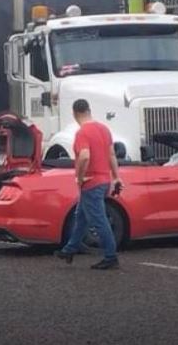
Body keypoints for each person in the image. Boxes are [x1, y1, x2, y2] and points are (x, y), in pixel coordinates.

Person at [54, 99, 123, 270]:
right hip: (105, 180)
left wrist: (80, 176)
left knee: (98, 220)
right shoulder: (104, 129)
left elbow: (84, 156)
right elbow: (111, 155)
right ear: (89, 110)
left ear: (75, 113)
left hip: (91, 183)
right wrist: (116, 177)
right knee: (81, 217)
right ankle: (69, 249)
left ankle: (110, 256)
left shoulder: (82, 133)